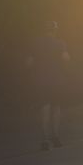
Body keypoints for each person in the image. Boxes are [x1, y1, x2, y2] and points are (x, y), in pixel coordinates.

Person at [28, 21, 70, 150]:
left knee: (44, 109)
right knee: (56, 109)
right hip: (57, 79)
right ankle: (56, 136)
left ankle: (44, 139)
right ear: (55, 30)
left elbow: (29, 62)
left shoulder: (36, 43)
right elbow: (66, 58)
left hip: (41, 79)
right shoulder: (60, 43)